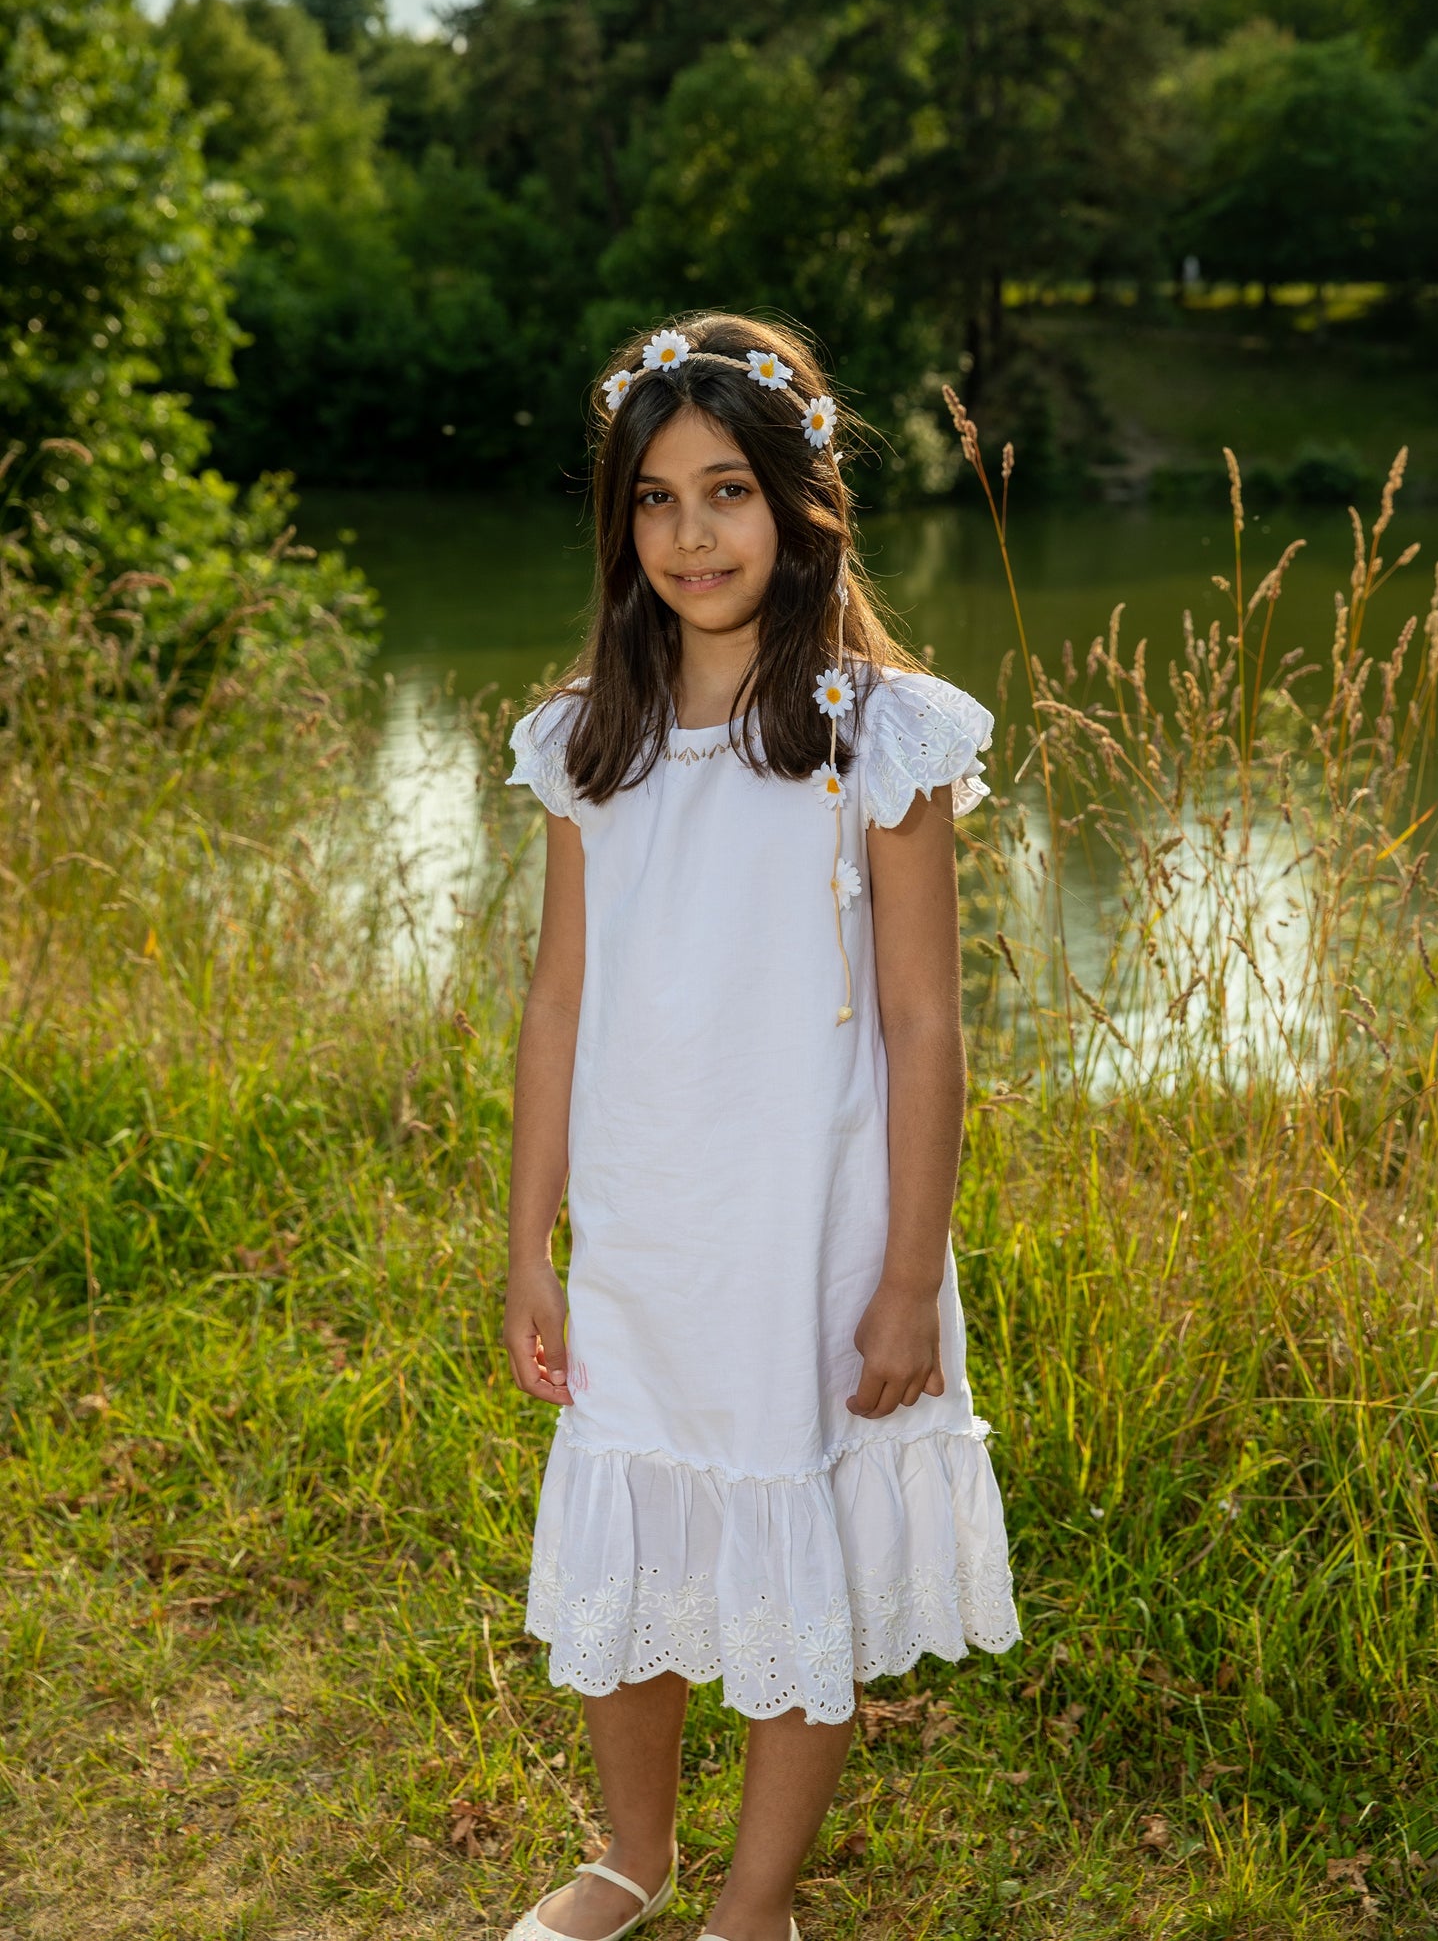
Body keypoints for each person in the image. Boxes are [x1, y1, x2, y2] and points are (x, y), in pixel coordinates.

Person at [502, 312, 1020, 1941]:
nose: (691, 533)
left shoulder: (881, 733)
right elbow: (558, 1001)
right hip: (653, 1231)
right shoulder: (597, 732)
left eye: (727, 490)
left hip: (817, 1232)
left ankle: (751, 1904)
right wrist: (531, 1243)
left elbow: (929, 1019)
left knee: (795, 1536)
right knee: (645, 1522)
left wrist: (904, 1277)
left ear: (799, 503)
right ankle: (631, 1859)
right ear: (620, 526)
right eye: (653, 499)